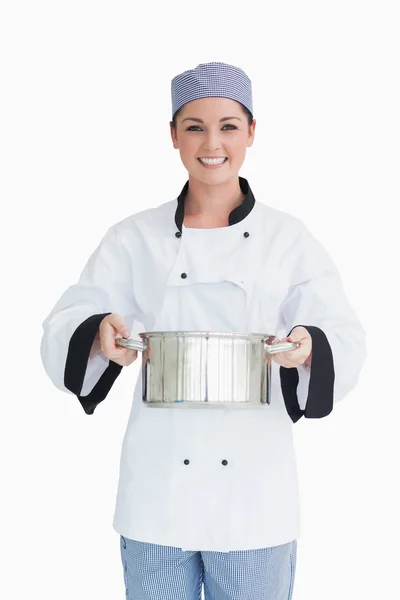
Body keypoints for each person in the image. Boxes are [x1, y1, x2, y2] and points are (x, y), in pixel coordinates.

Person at [40, 62, 367, 600]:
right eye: (194, 126)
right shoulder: (133, 237)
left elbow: (345, 335)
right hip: (157, 494)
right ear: (173, 135)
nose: (212, 142)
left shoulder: (288, 238)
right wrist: (99, 333)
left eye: (228, 126)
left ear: (252, 133)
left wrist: (309, 347)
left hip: (254, 497)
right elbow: (65, 322)